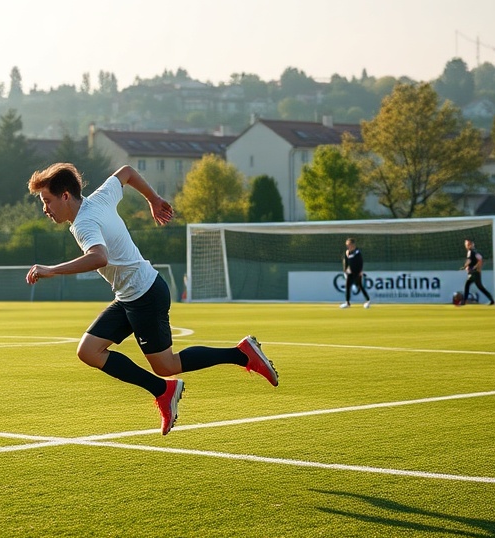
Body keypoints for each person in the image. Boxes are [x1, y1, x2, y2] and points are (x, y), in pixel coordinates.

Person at [25, 162, 278, 436]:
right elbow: (126, 172)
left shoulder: (85, 223)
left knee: (166, 365)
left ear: (65, 195)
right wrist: (154, 200)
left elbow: (98, 257)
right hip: (130, 295)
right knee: (88, 351)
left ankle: (241, 354)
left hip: (145, 294)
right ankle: (163, 390)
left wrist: (52, 270)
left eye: (47, 201)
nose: (45, 209)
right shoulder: (99, 198)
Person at [461, 239, 495, 305]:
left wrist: (465, 266)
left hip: (474, 273)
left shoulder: (470, 252)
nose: (466, 245)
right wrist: (476, 267)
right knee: (480, 287)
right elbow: (480, 259)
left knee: (468, 285)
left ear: (470, 245)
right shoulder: (475, 252)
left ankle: (464, 301)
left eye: (467, 244)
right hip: (476, 272)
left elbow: (469, 260)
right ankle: (492, 300)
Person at [340, 237, 371, 309]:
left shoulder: (357, 252)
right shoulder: (347, 252)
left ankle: (368, 301)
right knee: (348, 286)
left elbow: (360, 262)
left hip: (357, 272)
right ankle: (347, 303)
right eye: (347, 245)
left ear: (353, 245)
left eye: (349, 245)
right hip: (350, 273)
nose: (348, 246)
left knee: (360, 286)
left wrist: (360, 271)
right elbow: (346, 262)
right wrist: (345, 270)